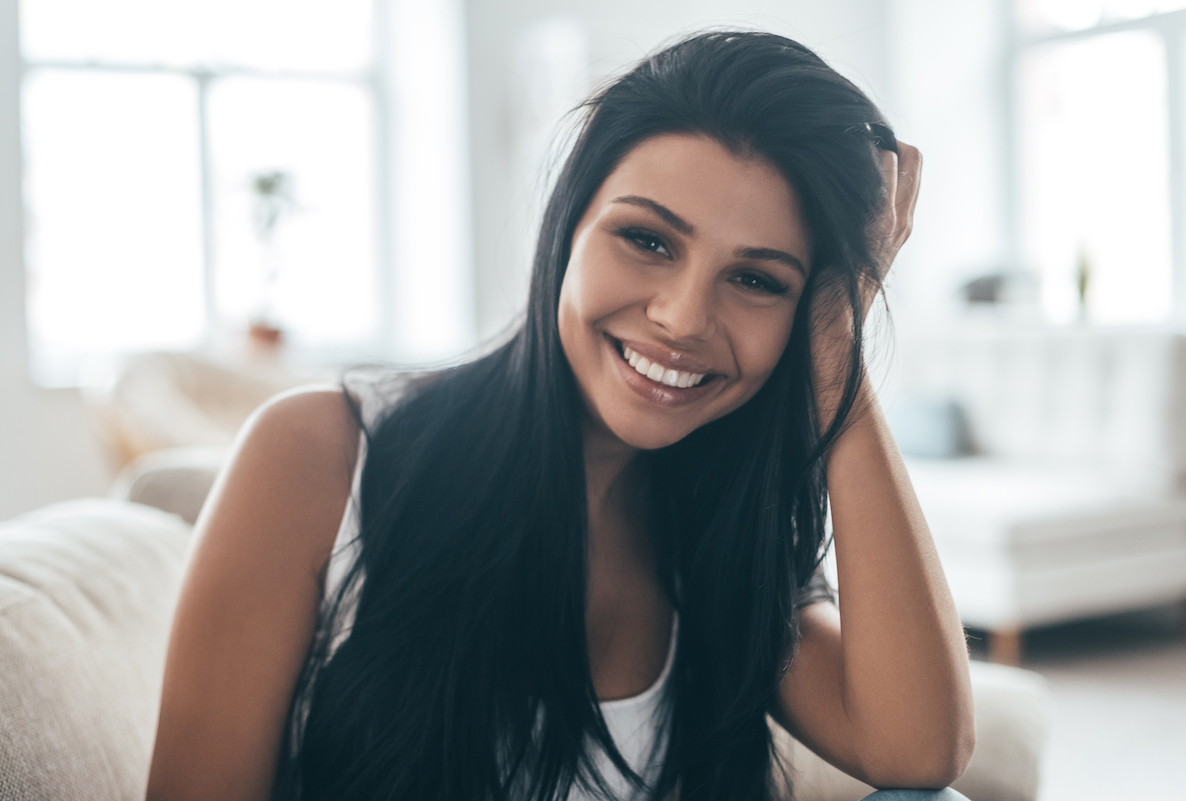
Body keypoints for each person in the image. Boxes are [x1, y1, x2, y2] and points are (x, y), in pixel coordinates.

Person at [146, 31, 975, 801]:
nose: (684, 318)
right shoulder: (324, 452)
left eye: (758, 280)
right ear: (566, 229)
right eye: (648, 240)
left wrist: (837, 350)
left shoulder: (731, 522)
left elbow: (918, 751)